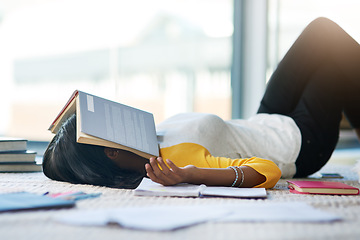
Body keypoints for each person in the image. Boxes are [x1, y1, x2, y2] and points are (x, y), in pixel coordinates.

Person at [42, 17, 360, 189]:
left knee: (321, 31)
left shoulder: (151, 139)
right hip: (299, 142)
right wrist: (193, 174)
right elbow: (269, 170)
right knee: (335, 63)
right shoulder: (175, 166)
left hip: (264, 120)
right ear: (110, 150)